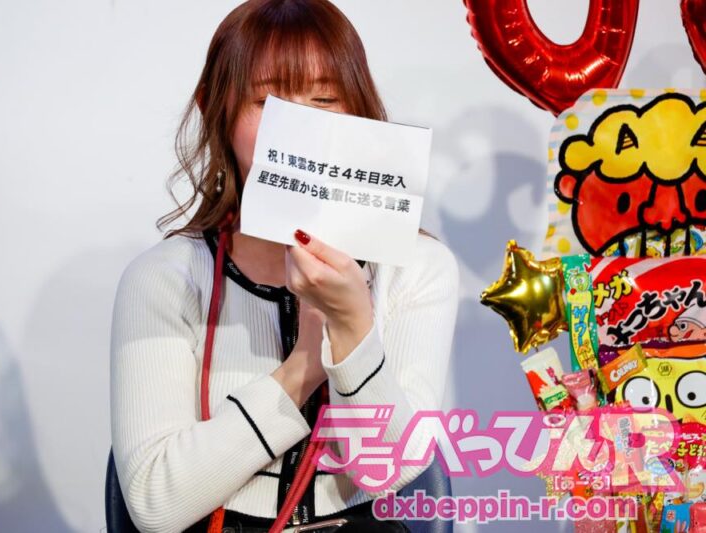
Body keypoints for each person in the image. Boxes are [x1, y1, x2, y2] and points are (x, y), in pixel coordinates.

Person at [109, 1, 459, 531]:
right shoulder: (164, 279)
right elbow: (154, 504)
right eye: (267, 102)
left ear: (358, 111)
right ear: (216, 109)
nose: (299, 130)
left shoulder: (416, 267)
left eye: (324, 100)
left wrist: (352, 327)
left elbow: (390, 474)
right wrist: (303, 368)